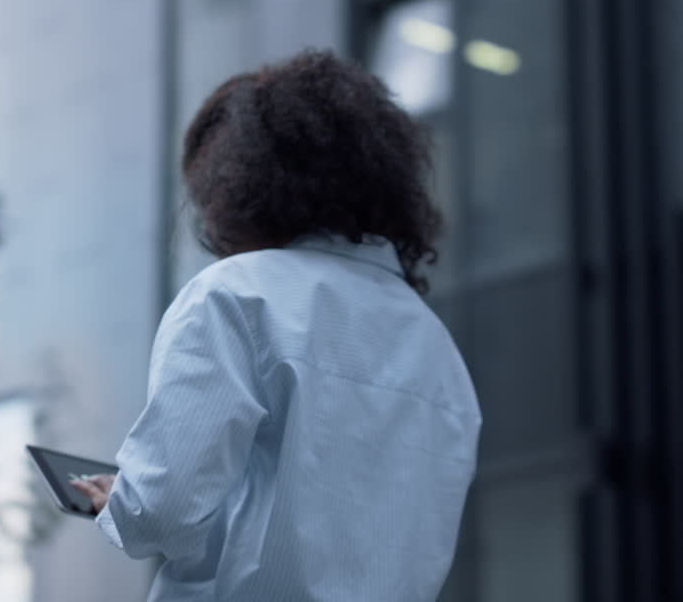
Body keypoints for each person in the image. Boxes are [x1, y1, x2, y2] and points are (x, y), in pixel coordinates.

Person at [71, 50, 481, 601]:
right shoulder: (436, 345)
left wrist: (122, 503)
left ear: (236, 184)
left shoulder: (236, 295)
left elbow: (160, 517)